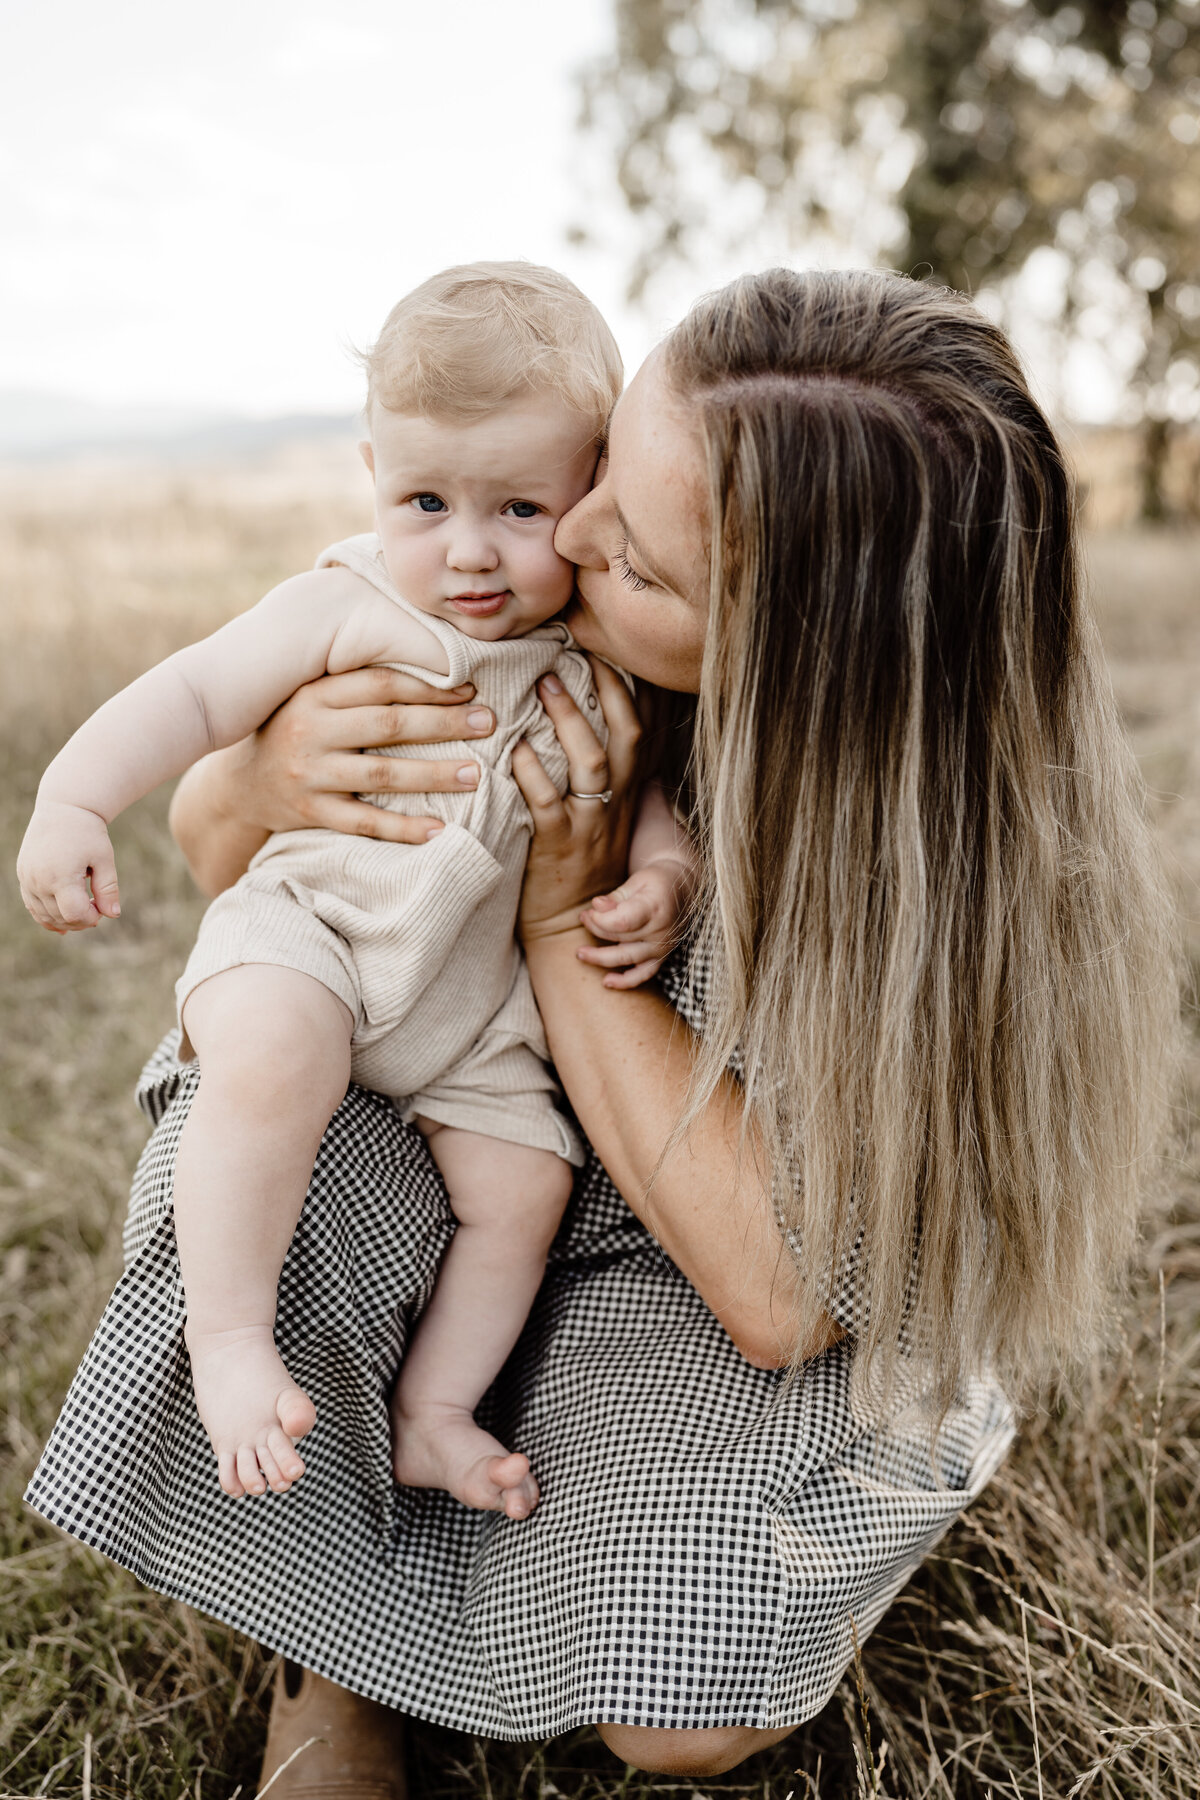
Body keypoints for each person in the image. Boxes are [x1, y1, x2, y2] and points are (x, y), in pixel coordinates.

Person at [25, 268, 1176, 1791]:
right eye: (602, 482)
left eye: (625, 548)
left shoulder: (949, 875)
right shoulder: (554, 610)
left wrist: (577, 913)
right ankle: (332, 1640)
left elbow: (775, 1294)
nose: (560, 541)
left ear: (791, 649)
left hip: (709, 1256)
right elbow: (242, 841)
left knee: (675, 1704)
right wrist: (255, 781)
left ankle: (816, 1469)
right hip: (476, 1123)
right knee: (264, 1136)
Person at [16, 263, 693, 1518]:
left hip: (469, 1009)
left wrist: (661, 873)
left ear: (593, 486)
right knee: (273, 1061)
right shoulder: (349, 600)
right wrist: (72, 797)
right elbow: (193, 694)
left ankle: (432, 1413)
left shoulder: (603, 646)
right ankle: (229, 1342)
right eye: (425, 500)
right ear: (373, 471)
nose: (471, 550)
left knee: (523, 1191)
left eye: (522, 507)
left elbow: (647, 790)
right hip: (311, 935)